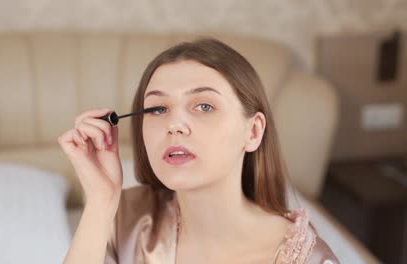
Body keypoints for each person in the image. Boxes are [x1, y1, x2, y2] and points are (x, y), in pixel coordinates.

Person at [58, 37, 339, 264]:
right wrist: (101, 200)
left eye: (204, 106)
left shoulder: (306, 259)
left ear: (253, 132)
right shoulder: (126, 221)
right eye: (158, 109)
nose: (174, 125)